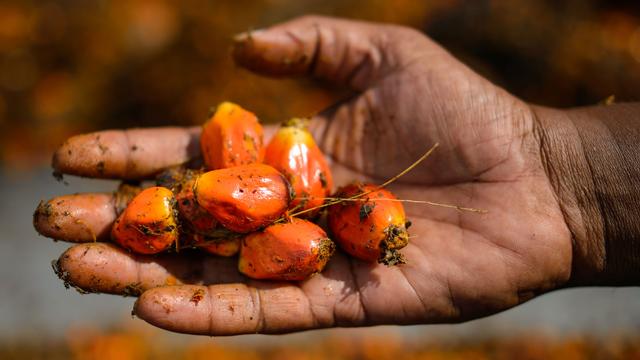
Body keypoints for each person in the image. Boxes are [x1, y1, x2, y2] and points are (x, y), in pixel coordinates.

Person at [35, 16, 639, 335]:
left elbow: (278, 208)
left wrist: (565, 182)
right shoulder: (253, 198)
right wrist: (566, 183)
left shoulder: (292, 204)